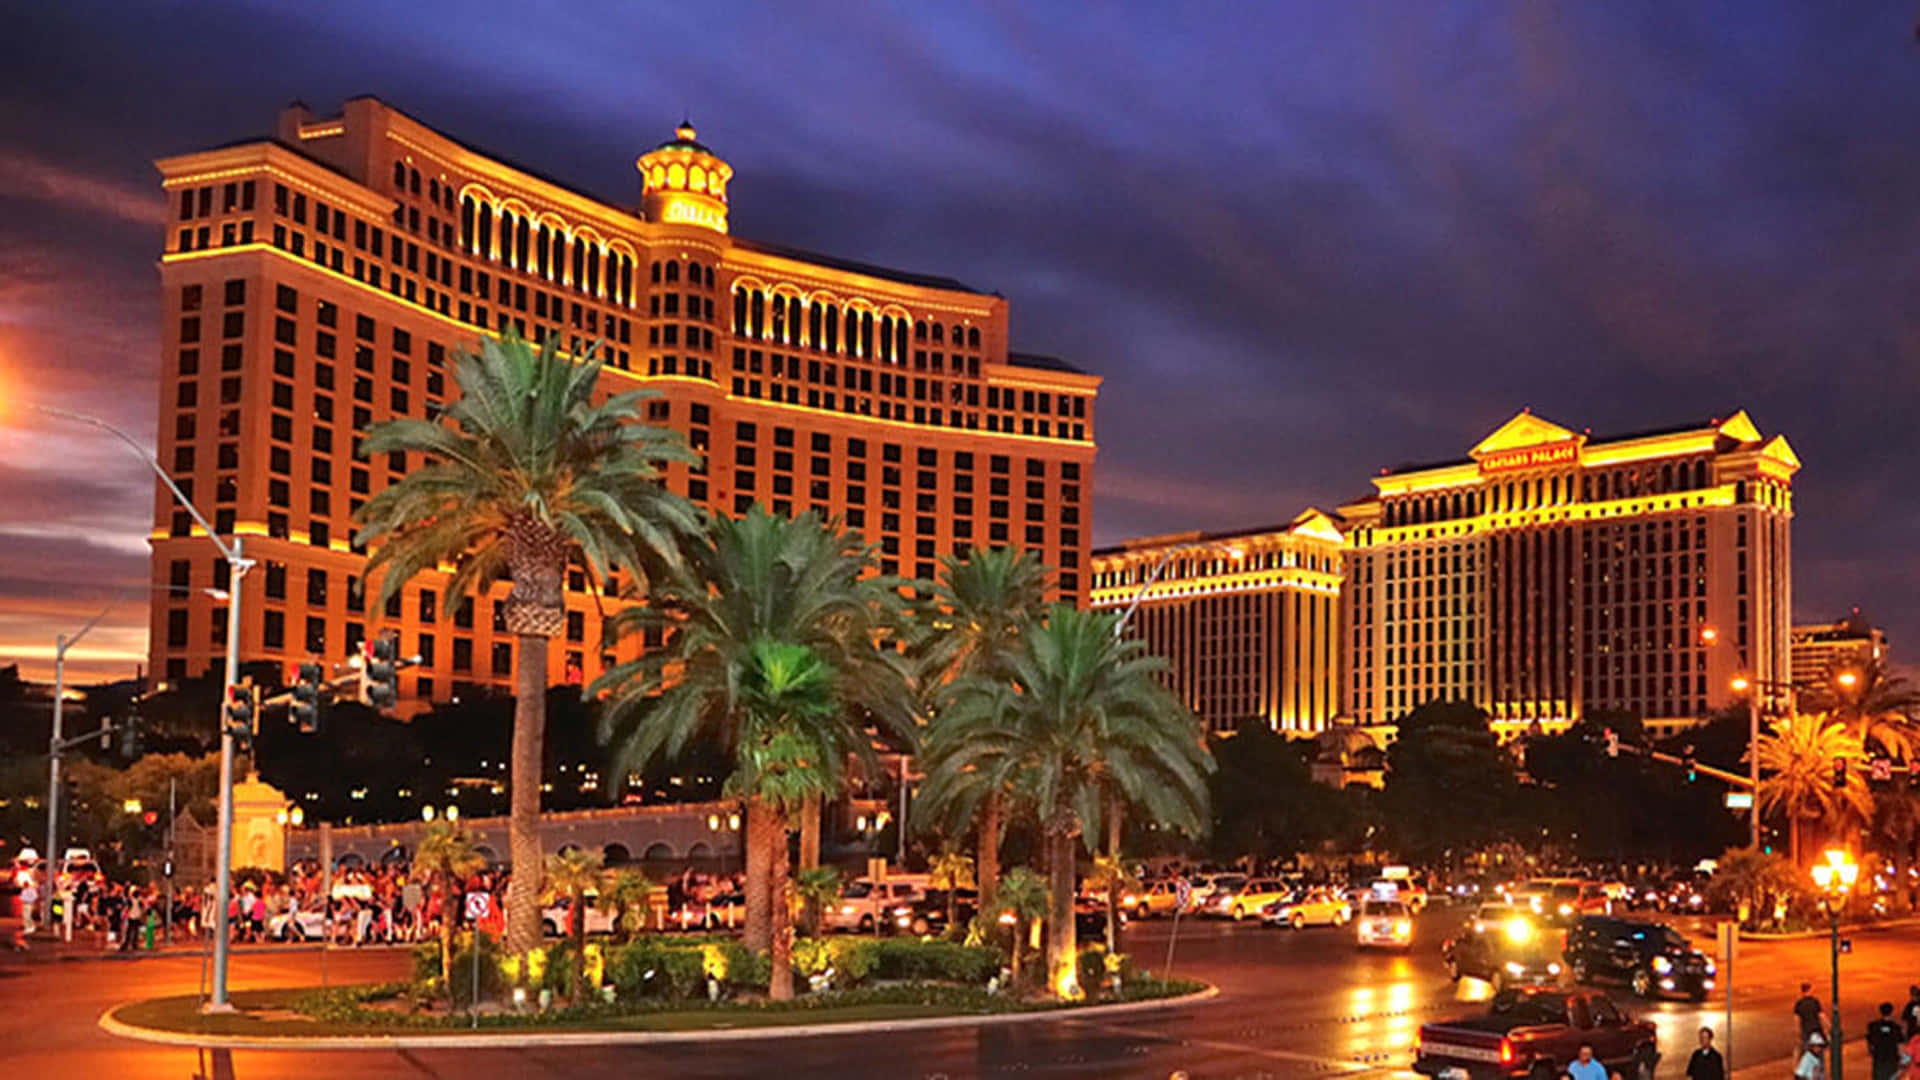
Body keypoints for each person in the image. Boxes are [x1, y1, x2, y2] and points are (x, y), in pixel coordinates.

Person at [1870, 1002, 1905, 1080]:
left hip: (1879, 1061)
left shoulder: (1873, 1027)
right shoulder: (1896, 1028)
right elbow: (1900, 1047)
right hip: (1892, 1061)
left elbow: (1871, 1046)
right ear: (1891, 1012)